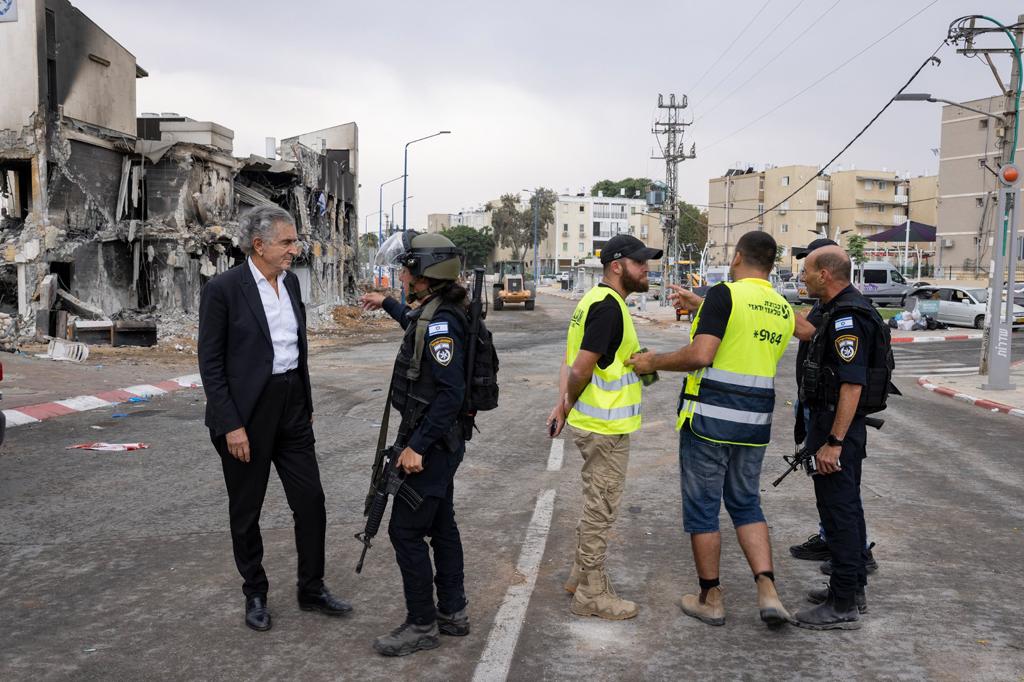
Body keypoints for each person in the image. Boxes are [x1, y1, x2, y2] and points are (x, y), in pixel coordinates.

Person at [629, 231, 794, 628]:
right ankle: (767, 590)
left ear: (737, 258)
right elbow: (765, 331)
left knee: (704, 510)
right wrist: (704, 305)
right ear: (770, 264)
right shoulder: (782, 307)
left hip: (709, 421)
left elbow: (702, 354)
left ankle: (711, 597)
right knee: (746, 503)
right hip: (754, 426)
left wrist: (654, 362)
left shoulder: (727, 294)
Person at [198, 205, 351, 632]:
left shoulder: (292, 286)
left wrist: (304, 402)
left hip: (292, 408)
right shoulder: (224, 289)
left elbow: (295, 350)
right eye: (287, 241)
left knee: (312, 501)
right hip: (247, 413)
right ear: (259, 244)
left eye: (295, 240)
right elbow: (210, 363)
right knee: (247, 510)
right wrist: (231, 424)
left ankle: (312, 588)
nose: (295, 249)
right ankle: (256, 593)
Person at [359, 231, 470, 656]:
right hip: (443, 441)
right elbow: (414, 325)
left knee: (405, 532)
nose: (402, 274)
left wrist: (417, 446)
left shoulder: (442, 322)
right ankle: (453, 612)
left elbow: (449, 394)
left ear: (425, 274)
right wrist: (385, 303)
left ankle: (422, 623)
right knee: (441, 525)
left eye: (408, 268)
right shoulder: (439, 311)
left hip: (434, 444)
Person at [547, 234, 662, 621]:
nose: (647, 268)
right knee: (602, 507)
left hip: (595, 423)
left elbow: (571, 362)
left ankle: (580, 575)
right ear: (617, 265)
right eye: (640, 262)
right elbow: (580, 368)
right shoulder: (609, 308)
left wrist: (563, 406)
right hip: (604, 428)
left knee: (596, 501)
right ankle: (592, 594)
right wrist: (566, 402)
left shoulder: (593, 302)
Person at [792, 245, 884, 630]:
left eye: (807, 272)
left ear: (825, 274)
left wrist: (834, 442)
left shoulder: (848, 316)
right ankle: (851, 588)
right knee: (844, 510)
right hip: (832, 427)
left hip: (837, 430)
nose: (802, 278)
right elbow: (807, 332)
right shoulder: (836, 308)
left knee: (839, 514)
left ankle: (843, 602)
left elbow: (852, 385)